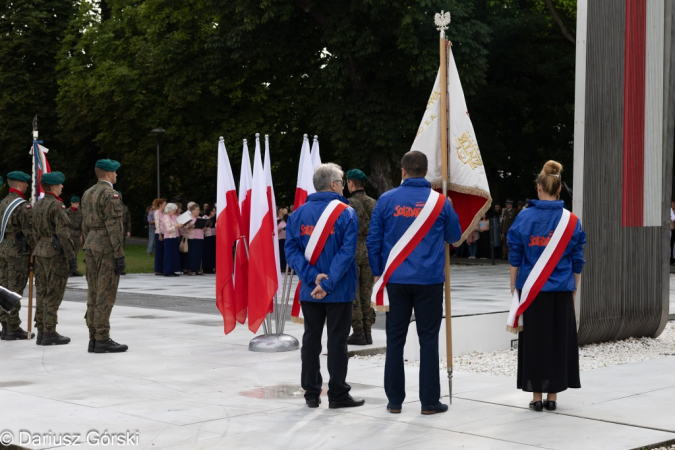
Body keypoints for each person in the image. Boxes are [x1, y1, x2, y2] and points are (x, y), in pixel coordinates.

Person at [367, 151, 461, 415]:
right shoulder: (441, 202)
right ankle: (429, 402)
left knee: (394, 340)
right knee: (428, 340)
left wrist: (378, 273)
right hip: (429, 280)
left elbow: (373, 241)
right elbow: (454, 236)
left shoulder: (386, 200)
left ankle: (394, 401)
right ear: (426, 171)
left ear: (403, 171)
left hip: (395, 279)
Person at [507, 160, 586, 412]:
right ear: (559, 190)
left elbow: (515, 256)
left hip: (532, 291)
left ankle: (536, 396)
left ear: (539, 188)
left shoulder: (524, 217)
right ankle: (553, 396)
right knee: (558, 343)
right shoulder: (572, 221)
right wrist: (573, 288)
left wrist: (514, 288)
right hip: (562, 290)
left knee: (534, 343)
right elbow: (577, 261)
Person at [285, 162, 364, 410]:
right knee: (337, 341)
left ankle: (310, 393)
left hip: (311, 289)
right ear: (333, 184)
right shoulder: (346, 212)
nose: (343, 186)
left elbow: (291, 250)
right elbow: (347, 251)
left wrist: (312, 278)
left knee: (311, 339)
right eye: (341, 182)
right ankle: (338, 394)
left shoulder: (297, 214)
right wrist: (328, 283)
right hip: (338, 289)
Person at [81, 159, 128, 353]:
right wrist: (119, 254)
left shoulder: (88, 193)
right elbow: (114, 227)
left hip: (91, 244)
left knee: (93, 292)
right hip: (106, 246)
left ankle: (93, 336)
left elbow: (84, 223)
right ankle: (102, 338)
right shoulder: (111, 194)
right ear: (109, 174)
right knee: (105, 293)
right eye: (115, 172)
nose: (116, 175)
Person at [32, 172, 77, 346]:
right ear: (53, 187)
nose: (62, 187)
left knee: (42, 292)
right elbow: (64, 234)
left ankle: (42, 330)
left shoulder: (38, 205)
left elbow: (34, 230)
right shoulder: (57, 206)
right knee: (54, 293)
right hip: (54, 253)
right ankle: (49, 332)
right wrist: (71, 257)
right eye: (60, 184)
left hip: (40, 250)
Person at [0, 171, 35, 341]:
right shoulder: (23, 206)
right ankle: (13, 327)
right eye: (26, 183)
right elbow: (30, 232)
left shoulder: (2, 203)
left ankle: (5, 325)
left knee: (3, 287)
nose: (28, 186)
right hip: (17, 251)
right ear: (20, 184)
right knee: (14, 289)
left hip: (2, 249)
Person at [345, 168, 377, 346]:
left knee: (354, 293)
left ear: (350, 183)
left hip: (353, 250)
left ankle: (358, 332)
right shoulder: (375, 203)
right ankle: (368, 331)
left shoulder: (348, 204)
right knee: (367, 293)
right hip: (371, 251)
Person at [162, 203, 185, 277]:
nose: (175, 211)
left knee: (174, 254)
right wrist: (176, 226)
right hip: (168, 237)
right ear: (169, 209)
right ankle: (167, 270)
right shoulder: (166, 217)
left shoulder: (171, 217)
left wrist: (179, 226)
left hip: (174, 237)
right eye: (174, 209)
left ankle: (173, 269)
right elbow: (168, 229)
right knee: (169, 254)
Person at [66, 195, 84, 276]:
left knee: (75, 252)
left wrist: (81, 235)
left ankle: (74, 269)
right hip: (69, 233)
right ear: (72, 203)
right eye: (76, 203)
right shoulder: (67, 212)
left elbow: (82, 224)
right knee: (69, 252)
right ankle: (68, 269)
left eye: (78, 203)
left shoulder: (80, 212)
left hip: (77, 234)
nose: (77, 204)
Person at [184, 203, 204, 275]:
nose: (198, 211)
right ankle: (189, 269)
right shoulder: (188, 217)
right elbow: (183, 227)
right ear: (192, 211)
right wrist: (189, 227)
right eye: (196, 210)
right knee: (191, 254)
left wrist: (205, 226)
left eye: (198, 210)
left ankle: (197, 268)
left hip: (200, 237)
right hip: (191, 237)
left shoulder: (200, 218)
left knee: (198, 254)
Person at [153, 198, 166, 275]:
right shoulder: (157, 212)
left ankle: (162, 267)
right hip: (159, 233)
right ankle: (158, 269)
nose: (165, 205)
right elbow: (157, 224)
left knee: (163, 251)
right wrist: (160, 234)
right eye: (164, 204)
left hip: (165, 233)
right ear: (160, 205)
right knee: (159, 251)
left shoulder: (164, 213)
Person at [202, 205, 216, 274]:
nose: (214, 213)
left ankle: (212, 266)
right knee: (207, 252)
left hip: (214, 236)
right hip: (207, 236)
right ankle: (206, 267)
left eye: (214, 211)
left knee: (213, 252)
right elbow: (202, 227)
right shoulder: (205, 217)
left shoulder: (215, 218)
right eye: (212, 211)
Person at [277, 206, 288, 271]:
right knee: (281, 253)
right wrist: (280, 229)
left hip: (287, 239)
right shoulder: (277, 220)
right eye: (283, 214)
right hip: (280, 239)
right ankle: (282, 267)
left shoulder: (287, 220)